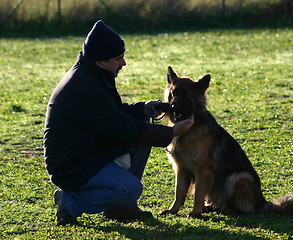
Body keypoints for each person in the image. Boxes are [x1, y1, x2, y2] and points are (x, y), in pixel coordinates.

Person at [43, 20, 194, 226]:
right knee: (130, 189)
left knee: (141, 136)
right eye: (118, 58)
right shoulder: (86, 86)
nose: (123, 63)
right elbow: (120, 126)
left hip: (88, 151)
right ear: (100, 61)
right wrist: (172, 132)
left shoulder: (93, 74)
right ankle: (68, 202)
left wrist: (141, 108)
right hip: (72, 165)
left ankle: (121, 208)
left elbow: (112, 114)